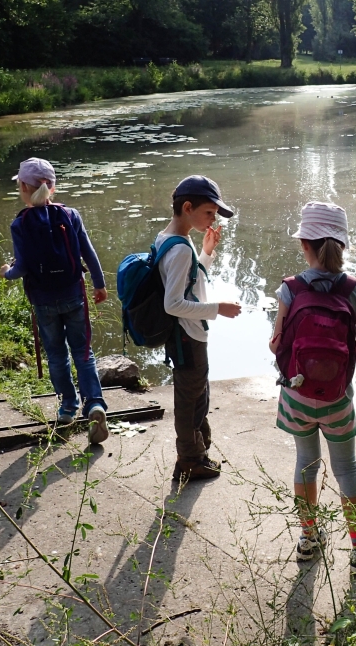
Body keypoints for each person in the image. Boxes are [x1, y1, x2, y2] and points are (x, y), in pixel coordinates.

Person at [268, 201, 356, 571]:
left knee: (306, 464)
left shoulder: (290, 289)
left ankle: (308, 539)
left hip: (296, 395)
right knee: (346, 468)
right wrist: (340, 349)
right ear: (343, 245)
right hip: (337, 400)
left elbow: (276, 344)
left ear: (304, 244)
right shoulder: (355, 290)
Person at [0, 157, 111, 445]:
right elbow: (89, 253)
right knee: (83, 352)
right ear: (52, 188)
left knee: (57, 355)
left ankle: (67, 408)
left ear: (24, 188)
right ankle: (94, 404)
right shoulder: (70, 215)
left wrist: (6, 272)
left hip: (43, 301)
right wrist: (99, 284)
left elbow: (22, 268)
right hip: (74, 294)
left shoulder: (20, 224)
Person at [157, 175, 242, 482]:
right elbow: (173, 303)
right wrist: (218, 309)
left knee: (197, 393)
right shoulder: (180, 248)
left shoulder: (169, 238)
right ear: (188, 207)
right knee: (191, 399)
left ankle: (197, 452)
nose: (212, 220)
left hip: (185, 334)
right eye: (209, 212)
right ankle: (190, 461)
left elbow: (189, 283)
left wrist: (205, 253)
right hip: (187, 336)